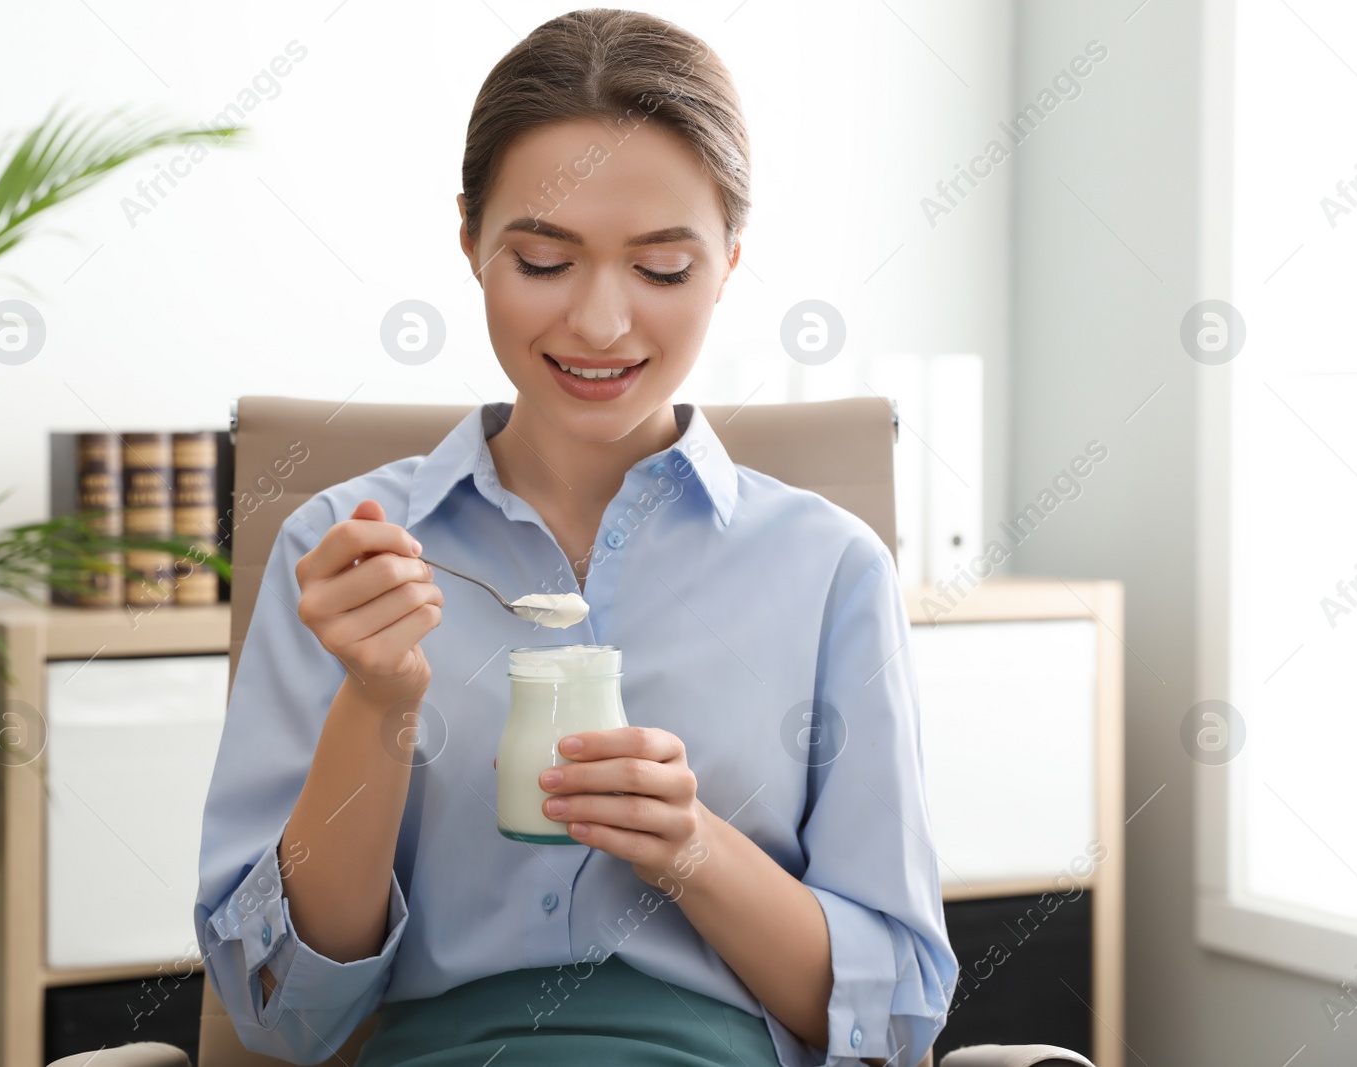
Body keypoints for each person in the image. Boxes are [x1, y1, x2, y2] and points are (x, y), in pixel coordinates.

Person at [195, 8, 957, 1066]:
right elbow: (283, 1015)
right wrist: (376, 705)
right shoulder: (342, 552)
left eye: (662, 270)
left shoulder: (830, 570)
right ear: (469, 241)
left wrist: (693, 847)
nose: (600, 323)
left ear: (731, 259)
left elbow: (893, 1021)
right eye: (544, 259)